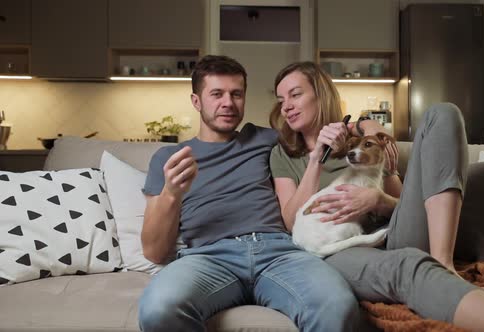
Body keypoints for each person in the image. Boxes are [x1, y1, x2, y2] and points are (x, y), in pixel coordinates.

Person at [269, 61, 484, 332]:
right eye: (281, 99)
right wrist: (316, 158)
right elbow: (289, 220)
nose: (287, 105)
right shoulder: (284, 154)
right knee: (407, 265)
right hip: (337, 249)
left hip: (394, 231)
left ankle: (443, 261)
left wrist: (377, 199)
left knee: (444, 113)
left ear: (321, 94)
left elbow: (406, 202)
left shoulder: (363, 139)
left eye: (296, 94)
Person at [137, 55, 362, 332]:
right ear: (196, 101)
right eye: (217, 94)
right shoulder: (169, 158)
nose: (228, 103)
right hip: (209, 258)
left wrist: (367, 126)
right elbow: (154, 252)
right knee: (158, 309)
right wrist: (172, 193)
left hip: (280, 254)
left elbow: (330, 127)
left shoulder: (266, 139)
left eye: (237, 94)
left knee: (337, 305)